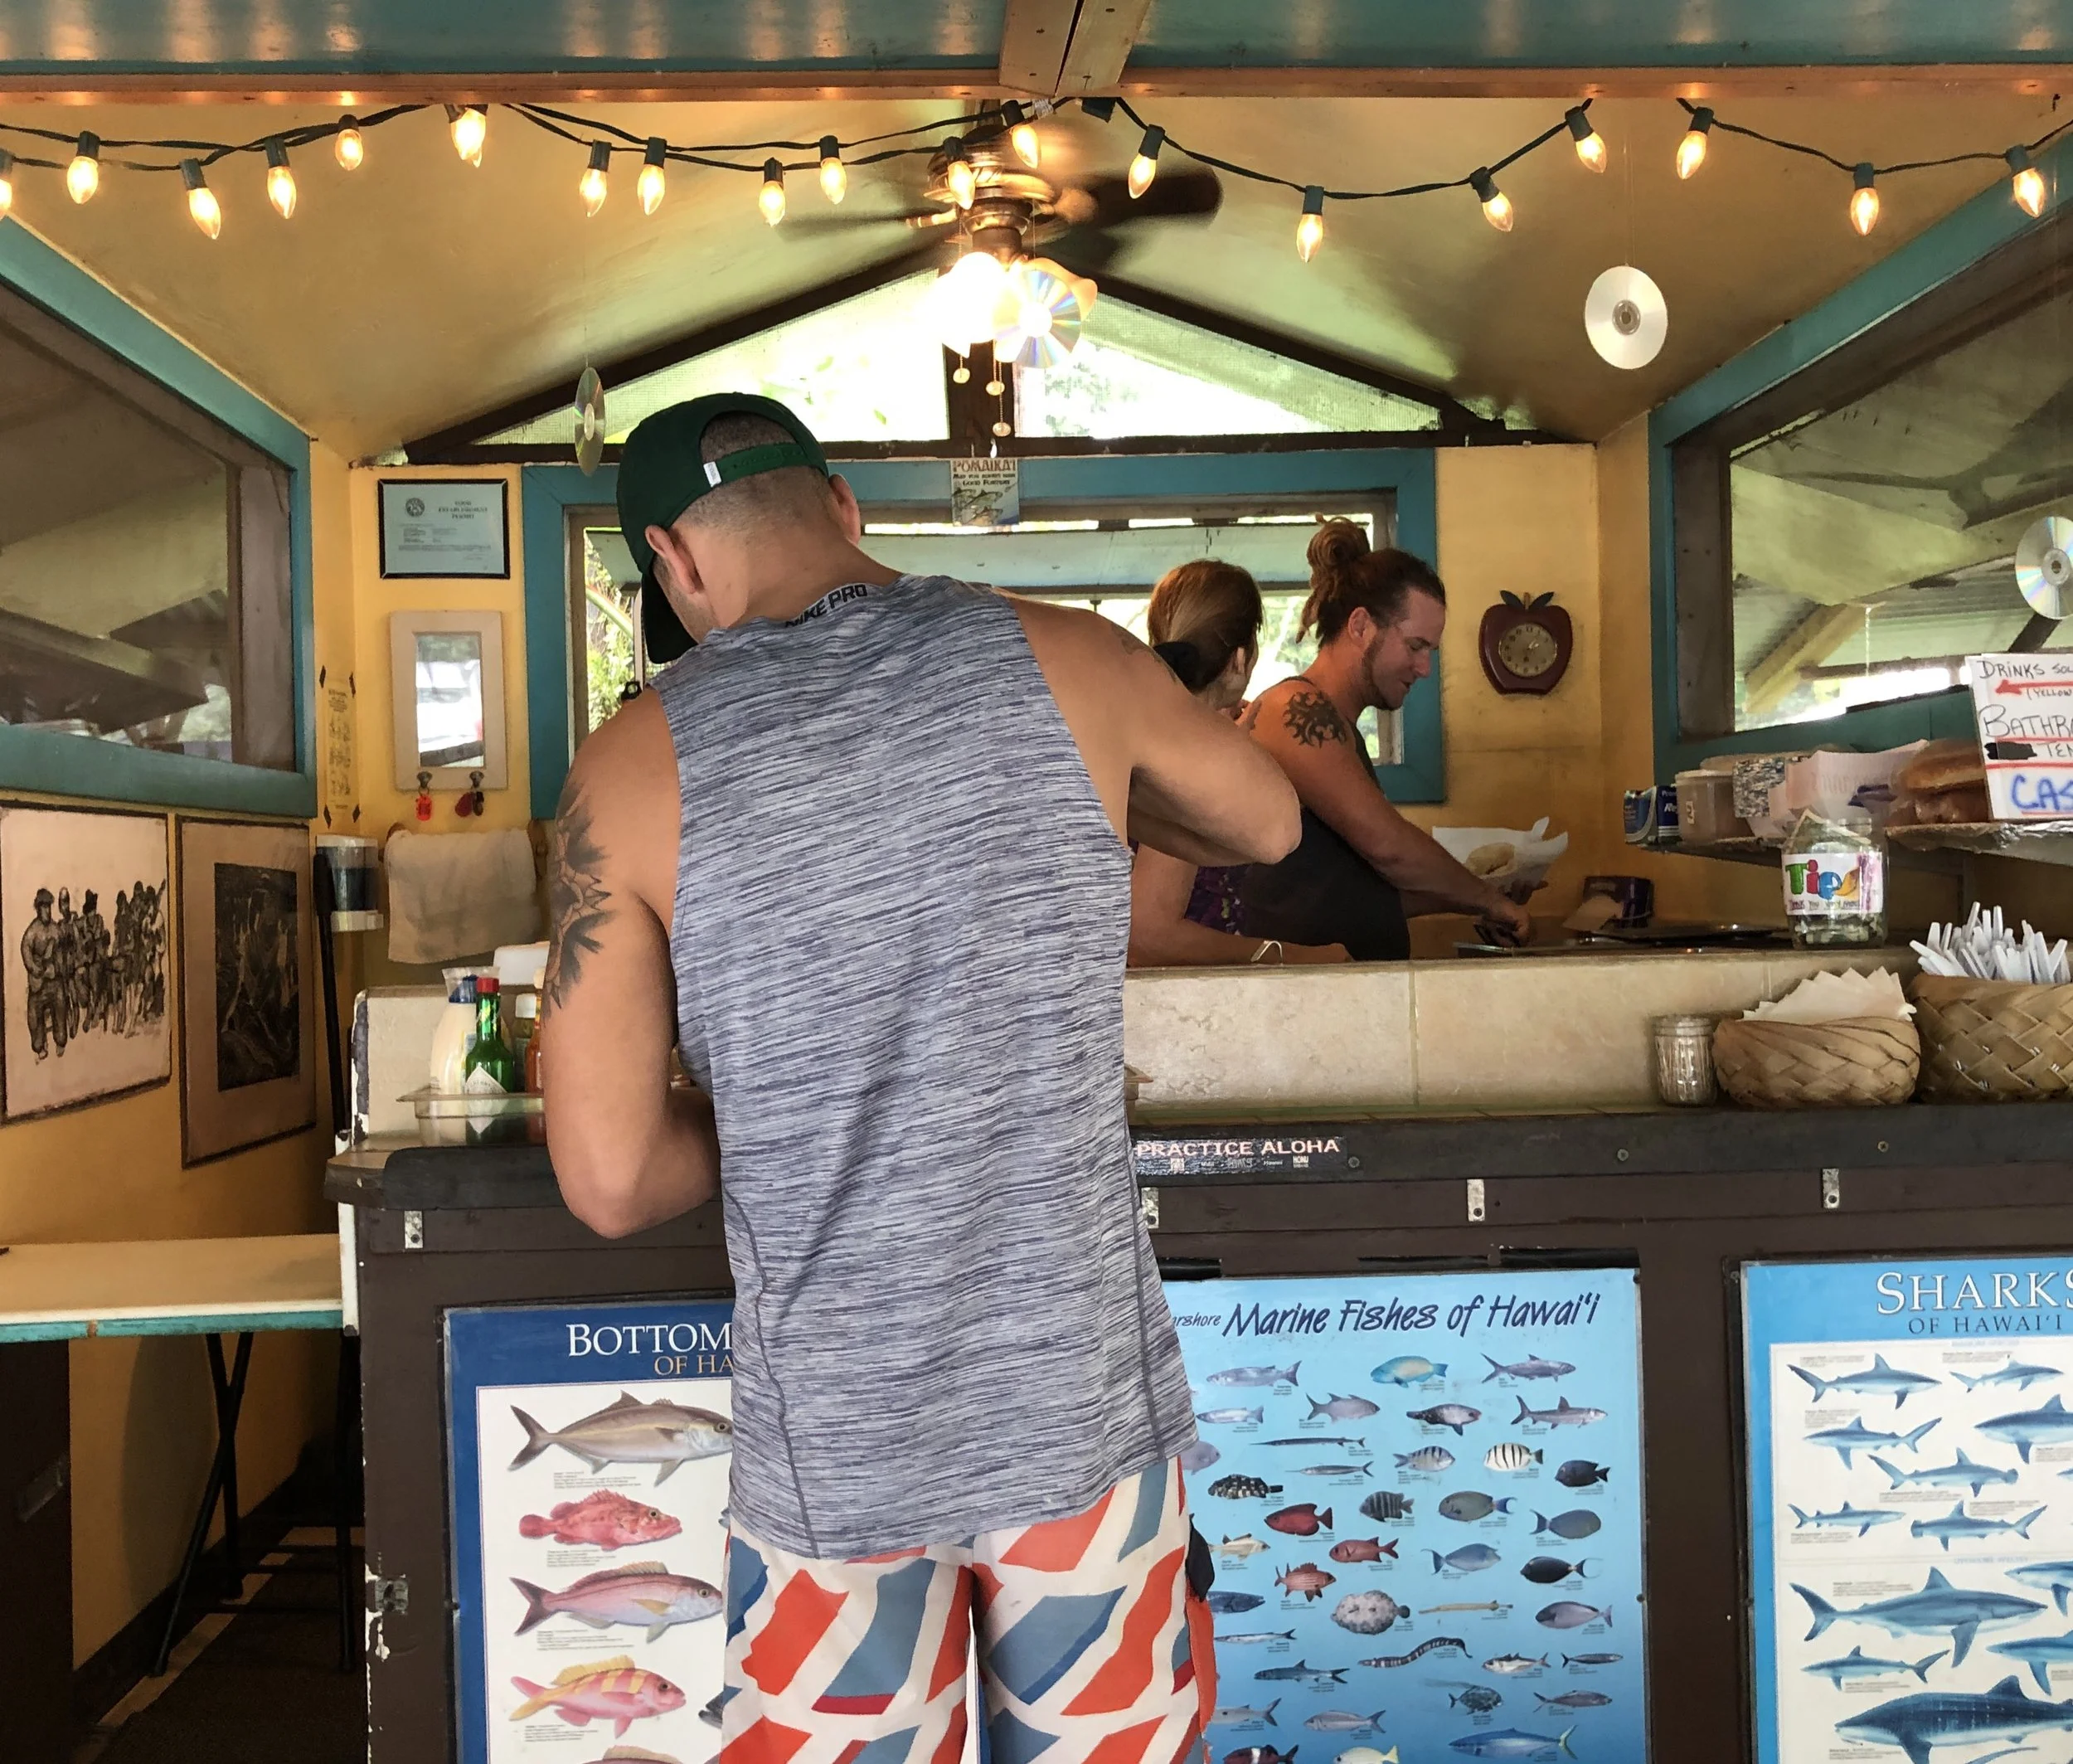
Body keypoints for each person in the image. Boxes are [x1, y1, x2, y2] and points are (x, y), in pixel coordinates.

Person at [537, 393, 1299, 1764]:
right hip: (1082, 1421)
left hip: (835, 1450)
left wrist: (783, 1099)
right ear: (842, 505)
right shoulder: (1074, 660)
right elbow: (1267, 814)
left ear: (674, 560)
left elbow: (606, 1174)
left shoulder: (629, 765)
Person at [1241, 522, 1532, 960]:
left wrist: (1482, 893)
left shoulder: (1339, 729)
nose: (1424, 668)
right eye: (1415, 646)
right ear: (1360, 626)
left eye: (1430, 651)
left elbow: (1348, 897)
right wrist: (1487, 900)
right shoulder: (1296, 710)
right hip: (1295, 1004)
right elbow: (1389, 847)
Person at [1130, 558, 1348, 967]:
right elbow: (1150, 934)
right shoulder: (1187, 747)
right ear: (1241, 659)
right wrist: (1300, 958)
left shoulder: (1152, 724)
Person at [21, 888, 65, 1060]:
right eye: (44, 907)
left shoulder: (55, 929)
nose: (47, 910)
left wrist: (57, 967)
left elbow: (60, 953)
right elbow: (25, 950)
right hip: (38, 981)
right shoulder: (32, 931)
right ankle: (39, 1046)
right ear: (38, 908)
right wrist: (35, 969)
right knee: (34, 1013)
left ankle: (60, 1041)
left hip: (53, 980)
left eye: (49, 907)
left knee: (60, 1004)